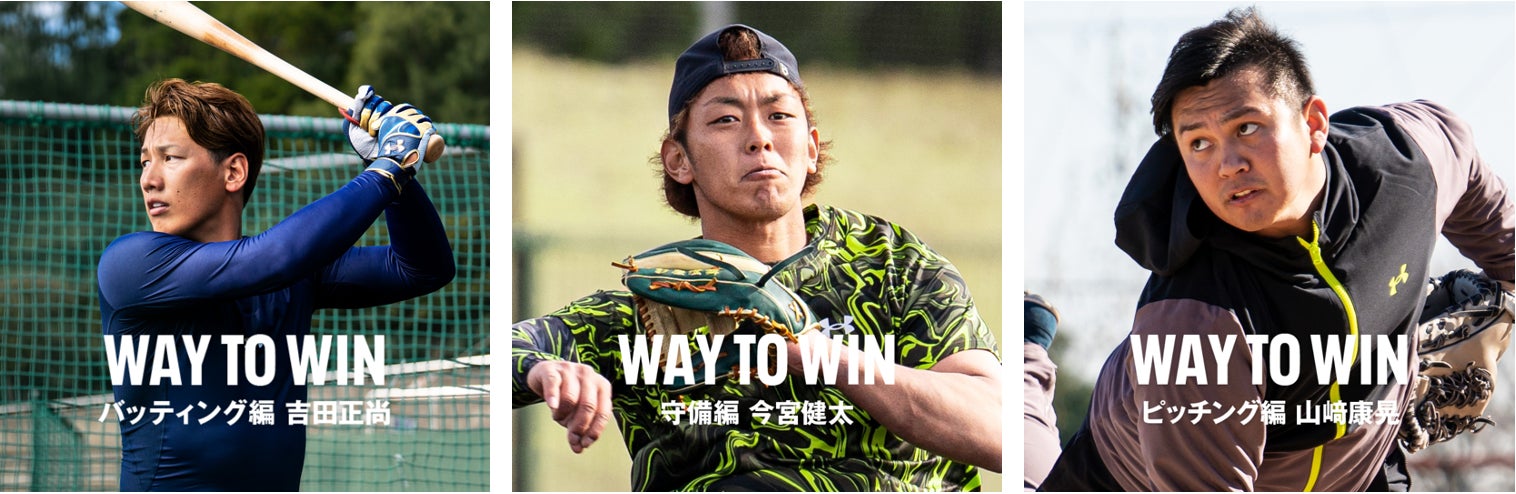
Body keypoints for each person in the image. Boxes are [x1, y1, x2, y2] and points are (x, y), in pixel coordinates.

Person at [1029, 7, 1514, 491]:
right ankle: (1027, 360)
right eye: (1198, 143)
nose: (1228, 164)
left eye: (1246, 128)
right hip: (1136, 477)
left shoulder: (1406, 164)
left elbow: (1472, 176)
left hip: (1358, 467)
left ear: (1314, 123)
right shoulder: (1195, 321)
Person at [511, 24, 1002, 491]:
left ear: (810, 148)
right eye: (725, 119)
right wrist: (544, 370)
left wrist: (822, 355)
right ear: (678, 159)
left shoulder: (893, 267)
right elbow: (503, 351)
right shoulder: (655, 305)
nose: (759, 137)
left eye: (779, 115)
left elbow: (998, 427)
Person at [97, 79, 455, 491]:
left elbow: (422, 268)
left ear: (234, 172)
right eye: (145, 162)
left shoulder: (292, 273)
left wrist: (395, 174)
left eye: (170, 158)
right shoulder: (131, 265)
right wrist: (389, 167)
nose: (149, 179)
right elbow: (275, 257)